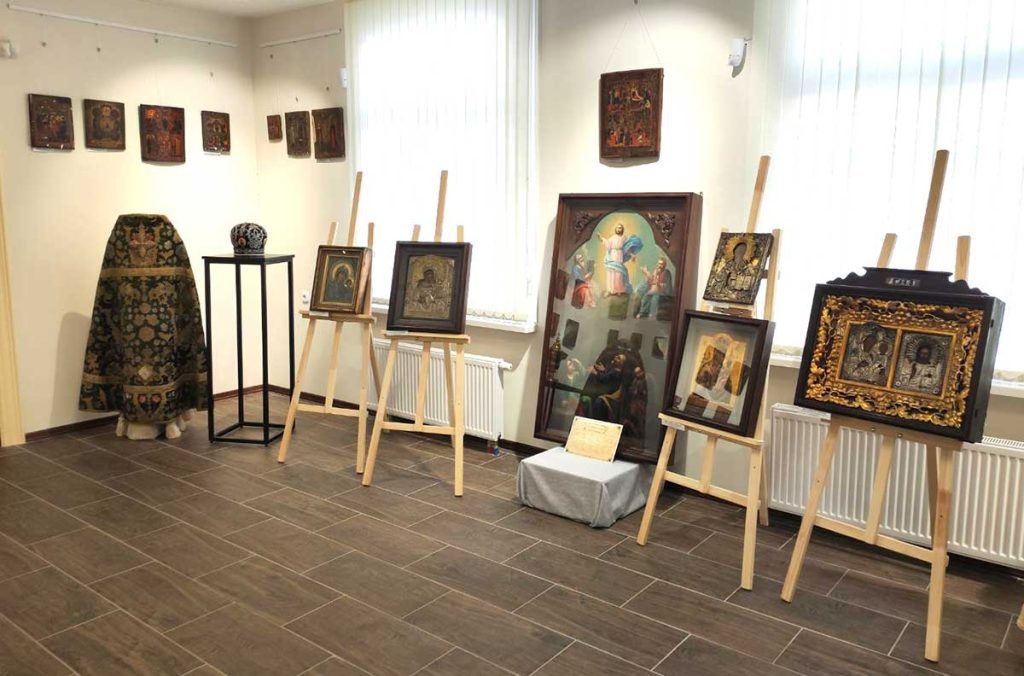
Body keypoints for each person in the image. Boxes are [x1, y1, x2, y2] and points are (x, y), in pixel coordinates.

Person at [597, 224, 643, 296]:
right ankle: (610, 290)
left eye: (620, 228)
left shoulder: (624, 238)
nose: (619, 229)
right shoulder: (613, 237)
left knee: (619, 273)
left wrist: (632, 255)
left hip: (619, 255)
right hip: (612, 255)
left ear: (622, 229)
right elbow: (608, 245)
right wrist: (601, 238)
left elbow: (627, 248)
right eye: (618, 228)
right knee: (611, 272)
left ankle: (619, 290)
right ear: (616, 229)